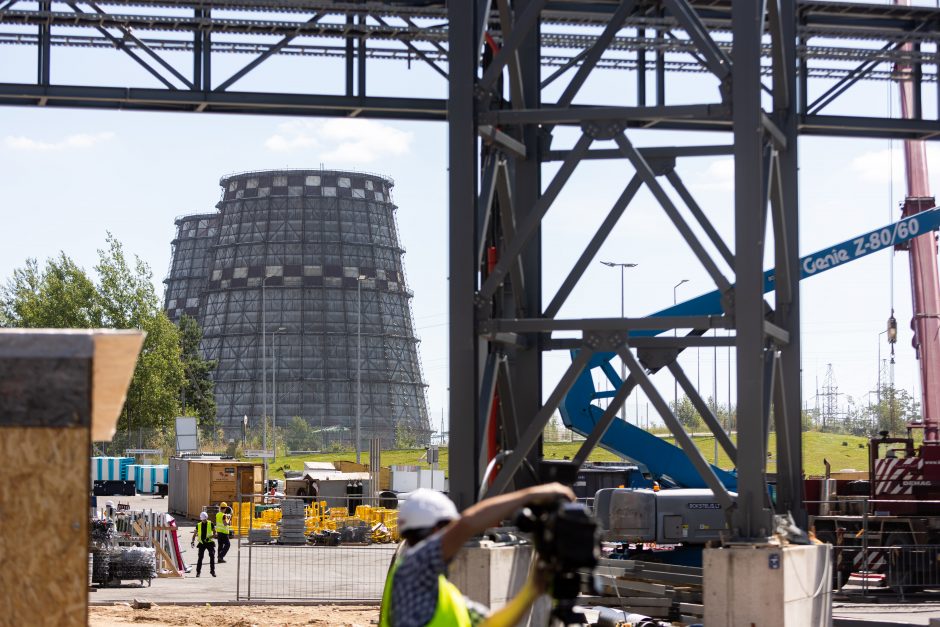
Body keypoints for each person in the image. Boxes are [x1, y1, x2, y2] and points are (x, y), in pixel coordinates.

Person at [380, 482, 575, 627]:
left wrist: (532, 591)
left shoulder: (442, 594)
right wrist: (532, 494)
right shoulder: (413, 569)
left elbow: (491, 624)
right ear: (438, 529)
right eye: (450, 529)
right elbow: (466, 525)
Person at [190, 511, 216, 577]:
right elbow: (194, 535)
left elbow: (215, 534)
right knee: (200, 557)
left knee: (212, 556)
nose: (204, 520)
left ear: (206, 518)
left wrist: (209, 537)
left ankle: (212, 571)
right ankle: (198, 572)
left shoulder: (211, 524)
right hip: (202, 543)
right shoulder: (198, 525)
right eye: (203, 519)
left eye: (205, 519)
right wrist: (192, 542)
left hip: (209, 542)